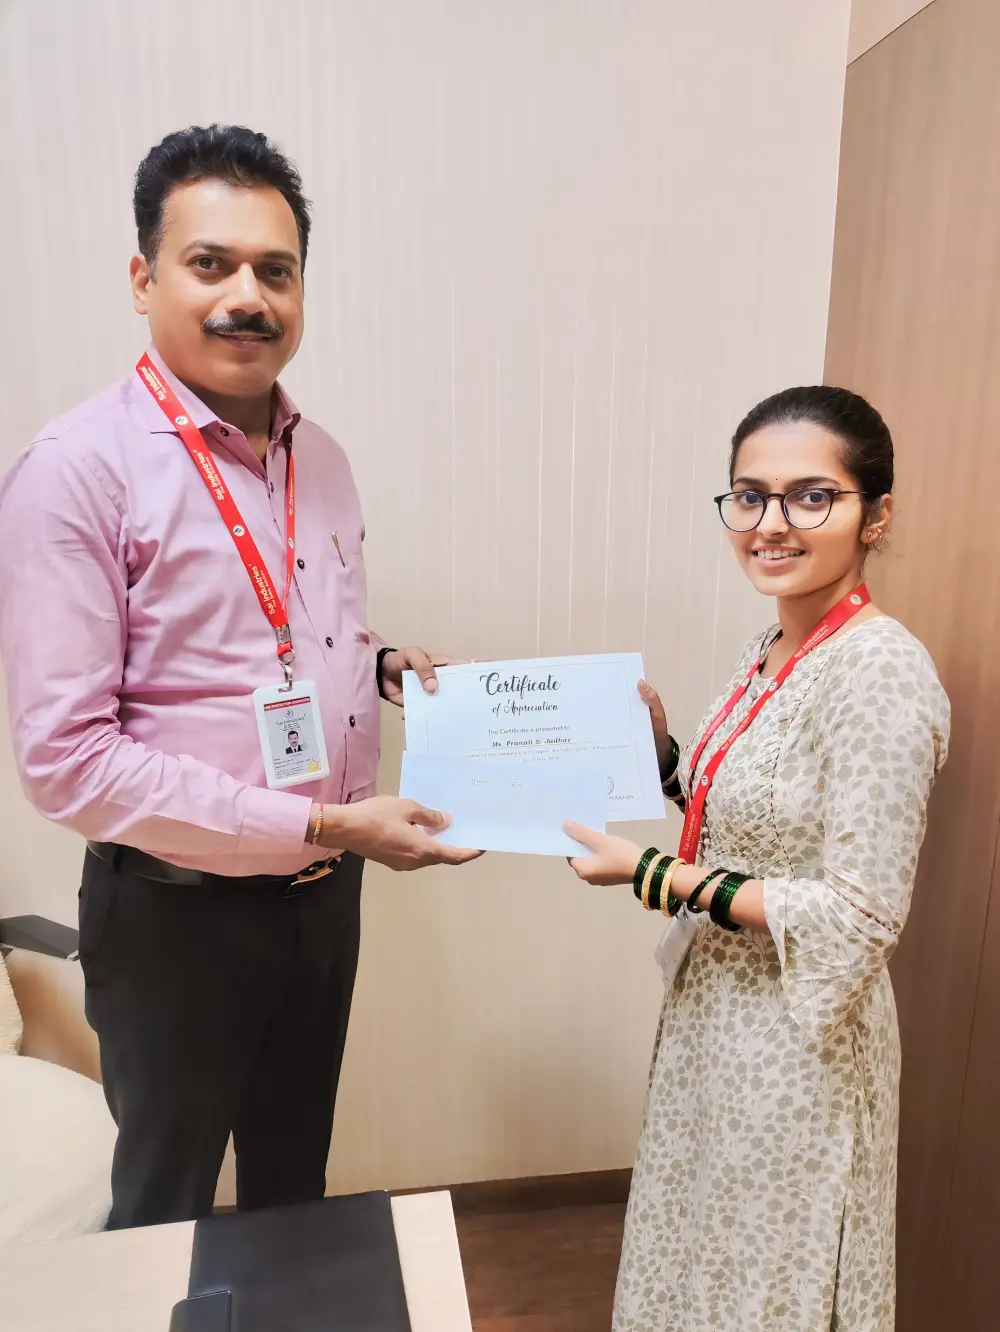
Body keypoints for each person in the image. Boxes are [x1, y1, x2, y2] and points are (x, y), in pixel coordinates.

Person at [0, 124, 479, 1230]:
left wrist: (378, 663)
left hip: (323, 900)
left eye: (276, 269)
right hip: (177, 917)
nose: (247, 297)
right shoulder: (75, 472)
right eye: (210, 264)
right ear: (144, 279)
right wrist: (324, 823)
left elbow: (279, 638)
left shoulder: (325, 458)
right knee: (161, 1212)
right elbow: (67, 761)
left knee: (292, 1189)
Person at [566, 386, 949, 1332]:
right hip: (717, 1018)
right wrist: (666, 759)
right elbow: (758, 820)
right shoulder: (775, 645)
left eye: (812, 497)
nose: (771, 524)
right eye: (750, 496)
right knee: (703, 1254)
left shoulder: (881, 670)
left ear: (875, 515)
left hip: (799, 1043)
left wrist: (655, 876)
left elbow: (862, 913)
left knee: (767, 1281)